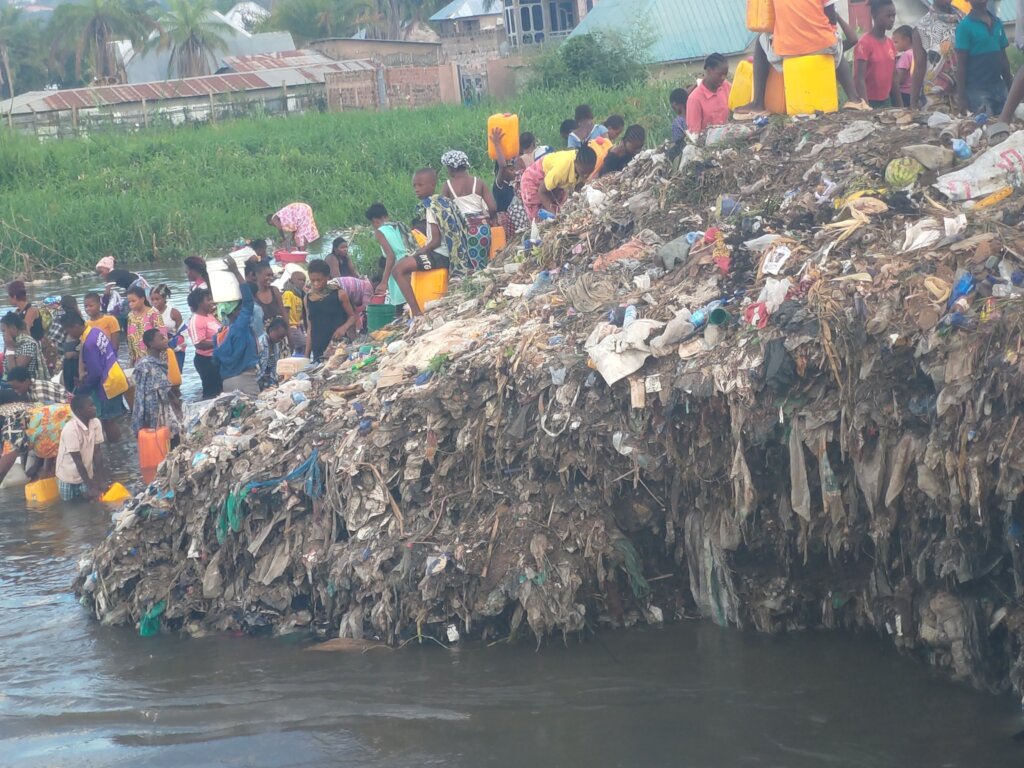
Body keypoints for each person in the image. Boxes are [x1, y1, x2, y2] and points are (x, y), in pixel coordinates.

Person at [736, 0, 869, 116]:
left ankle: (758, 103)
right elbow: (832, 19)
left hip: (788, 51)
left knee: (761, 40)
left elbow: (768, 19)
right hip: (821, 45)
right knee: (835, 44)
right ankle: (855, 99)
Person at [61, 312, 124, 442]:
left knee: (107, 420)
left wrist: (84, 389)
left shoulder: (89, 342)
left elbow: (95, 372)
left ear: (76, 326)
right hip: (116, 374)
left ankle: (115, 448)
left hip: (109, 383)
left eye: (69, 331)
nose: (69, 335)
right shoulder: (95, 331)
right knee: (111, 419)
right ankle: (118, 448)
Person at [0, 391, 73, 487]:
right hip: (72, 414)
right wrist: (45, 470)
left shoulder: (10, 426)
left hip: (72, 423)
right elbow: (47, 431)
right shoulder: (11, 410)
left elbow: (3, 468)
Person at [441, 150, 497, 272]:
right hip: (481, 229)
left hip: (461, 232)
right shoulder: (479, 183)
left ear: (451, 168)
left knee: (466, 268)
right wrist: (491, 220)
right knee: (482, 265)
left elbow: (443, 212)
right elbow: (492, 208)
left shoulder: (447, 186)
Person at [955, 0, 1013, 115]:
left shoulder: (997, 23)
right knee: (986, 123)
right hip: (977, 91)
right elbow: (961, 65)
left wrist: (1011, 87)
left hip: (1000, 87)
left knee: (1008, 122)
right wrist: (961, 98)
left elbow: (1003, 59)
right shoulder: (964, 27)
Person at [213, 258, 261, 395]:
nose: (242, 310)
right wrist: (236, 271)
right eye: (239, 308)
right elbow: (248, 301)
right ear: (234, 312)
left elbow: (215, 361)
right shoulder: (240, 327)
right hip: (245, 381)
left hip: (227, 382)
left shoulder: (218, 335)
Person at [519, 144, 598, 222]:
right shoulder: (561, 170)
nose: (586, 175)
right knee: (538, 215)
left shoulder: (584, 165)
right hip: (533, 180)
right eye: (584, 172)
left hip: (551, 180)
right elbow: (542, 191)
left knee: (560, 207)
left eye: (589, 172)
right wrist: (554, 215)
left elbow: (579, 186)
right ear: (575, 163)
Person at [910, 0, 964, 110]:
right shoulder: (923, 27)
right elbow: (919, 67)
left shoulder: (964, 21)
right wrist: (913, 103)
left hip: (964, 95)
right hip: (935, 97)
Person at [131, 328, 181, 442]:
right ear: (151, 344)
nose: (165, 340)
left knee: (173, 437)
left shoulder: (159, 362)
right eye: (161, 338)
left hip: (164, 407)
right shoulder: (145, 366)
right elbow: (141, 395)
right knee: (161, 440)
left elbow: (164, 386)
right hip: (153, 411)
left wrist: (174, 399)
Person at [56, 393, 107, 501]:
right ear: (79, 411)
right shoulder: (70, 430)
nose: (95, 408)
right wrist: (90, 486)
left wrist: (101, 480)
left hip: (86, 474)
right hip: (67, 477)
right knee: (70, 506)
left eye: (93, 405)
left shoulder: (96, 423)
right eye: (91, 406)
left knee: (90, 502)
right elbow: (77, 461)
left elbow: (97, 453)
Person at [305, 259, 356, 361]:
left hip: (338, 348)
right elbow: (310, 327)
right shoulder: (308, 298)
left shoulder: (339, 294)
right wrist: (306, 356)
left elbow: (352, 316)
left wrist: (343, 328)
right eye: (312, 280)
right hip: (318, 349)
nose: (316, 284)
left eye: (319, 280)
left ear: (327, 277)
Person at [369, 202, 416, 310]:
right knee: (412, 297)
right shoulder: (398, 226)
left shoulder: (379, 232)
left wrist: (384, 282)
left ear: (375, 221)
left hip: (397, 266)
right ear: (386, 215)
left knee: (401, 304)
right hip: (410, 261)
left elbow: (391, 256)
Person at [493, 130, 537, 237]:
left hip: (520, 219)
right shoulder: (499, 185)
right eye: (510, 169)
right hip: (506, 223)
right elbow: (502, 166)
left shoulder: (516, 184)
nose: (513, 171)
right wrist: (497, 144)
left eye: (514, 168)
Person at [854, 0, 898, 108]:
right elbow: (859, 78)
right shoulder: (864, 43)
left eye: (893, 15)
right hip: (869, 101)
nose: (892, 19)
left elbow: (894, 77)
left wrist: (899, 106)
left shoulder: (890, 43)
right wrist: (866, 107)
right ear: (874, 15)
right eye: (888, 16)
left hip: (886, 101)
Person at [187, 288, 222, 399]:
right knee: (211, 393)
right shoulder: (196, 320)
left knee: (221, 389)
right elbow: (199, 343)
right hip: (206, 361)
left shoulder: (209, 316)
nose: (212, 302)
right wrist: (220, 342)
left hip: (217, 358)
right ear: (199, 303)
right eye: (208, 300)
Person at [687, 54, 733, 132]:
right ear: (709, 70)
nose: (723, 78)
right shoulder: (694, 99)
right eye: (720, 74)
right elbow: (694, 132)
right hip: (706, 139)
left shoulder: (726, 86)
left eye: (725, 74)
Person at [124, 286, 164, 366]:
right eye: (129, 302)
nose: (131, 304)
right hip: (138, 361)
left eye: (133, 301)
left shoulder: (153, 313)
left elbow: (162, 337)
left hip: (154, 359)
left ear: (142, 299)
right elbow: (130, 340)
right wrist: (132, 361)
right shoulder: (130, 316)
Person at [150, 285, 186, 371]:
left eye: (157, 299)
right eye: (152, 299)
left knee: (174, 373)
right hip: (157, 349)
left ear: (164, 298)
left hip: (174, 348)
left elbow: (184, 332)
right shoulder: (150, 313)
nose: (154, 302)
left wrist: (175, 346)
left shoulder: (173, 312)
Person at [2, 312, 47, 380]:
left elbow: (15, 374)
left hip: (24, 384)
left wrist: (10, 348)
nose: (3, 334)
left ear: (14, 328)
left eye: (3, 331)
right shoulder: (13, 342)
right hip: (8, 382)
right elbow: (6, 370)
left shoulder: (28, 344)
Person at [279, 265, 308, 352]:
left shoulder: (299, 295)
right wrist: (287, 327)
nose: (302, 282)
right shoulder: (288, 293)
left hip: (298, 326)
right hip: (291, 327)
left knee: (299, 349)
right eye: (299, 280)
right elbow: (285, 311)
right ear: (291, 280)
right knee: (304, 346)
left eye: (304, 280)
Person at [252, 261, 286, 326]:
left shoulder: (275, 290)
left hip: (280, 330)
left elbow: (283, 312)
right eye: (268, 275)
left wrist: (288, 330)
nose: (271, 278)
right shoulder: (254, 295)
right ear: (257, 275)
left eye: (272, 275)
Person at [260, 317, 289, 389]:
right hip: (259, 381)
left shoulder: (276, 345)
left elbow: (275, 367)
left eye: (282, 337)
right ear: (271, 330)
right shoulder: (261, 344)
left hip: (270, 382)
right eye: (278, 336)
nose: (280, 339)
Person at [894, 25, 915, 107]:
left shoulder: (906, 55)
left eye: (896, 42)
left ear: (906, 40)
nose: (894, 45)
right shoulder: (916, 53)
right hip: (914, 92)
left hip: (904, 94)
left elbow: (900, 79)